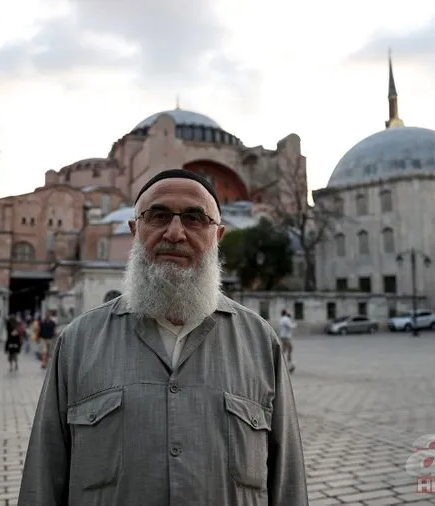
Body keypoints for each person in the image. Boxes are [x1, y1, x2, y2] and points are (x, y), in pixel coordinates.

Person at [19, 169, 308, 505]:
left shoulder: (259, 341)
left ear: (219, 235)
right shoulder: (79, 342)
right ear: (134, 230)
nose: (175, 233)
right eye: (157, 216)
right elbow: (44, 475)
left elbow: (286, 479)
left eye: (195, 218)